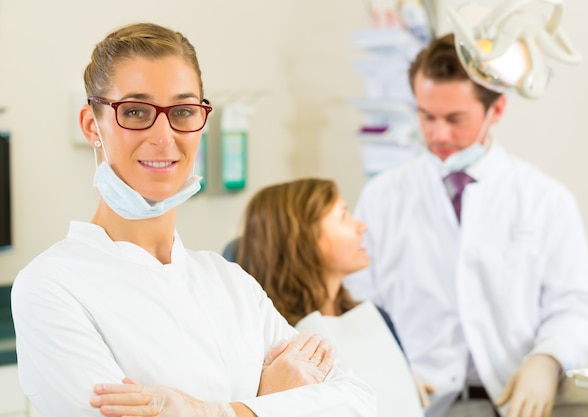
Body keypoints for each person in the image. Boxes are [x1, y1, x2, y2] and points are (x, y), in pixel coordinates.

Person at [10, 22, 375, 417]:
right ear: (90, 125)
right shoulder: (51, 287)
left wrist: (216, 412)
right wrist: (270, 400)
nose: (164, 135)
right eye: (135, 111)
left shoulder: (230, 283)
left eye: (183, 111)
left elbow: (359, 402)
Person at [343, 33, 588, 417]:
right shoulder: (382, 196)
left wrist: (546, 360)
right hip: (417, 403)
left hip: (518, 400)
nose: (438, 135)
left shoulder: (546, 199)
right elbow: (355, 303)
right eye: (426, 116)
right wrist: (383, 362)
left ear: (496, 110)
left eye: (454, 119)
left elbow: (576, 307)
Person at [235, 178, 423, 417]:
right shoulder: (274, 336)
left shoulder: (376, 318)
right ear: (303, 237)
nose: (361, 226)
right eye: (344, 216)